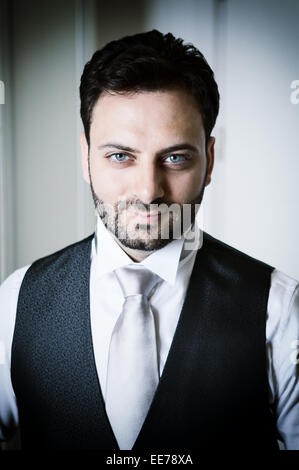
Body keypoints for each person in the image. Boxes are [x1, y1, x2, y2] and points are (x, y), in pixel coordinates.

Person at [0, 29, 298, 452]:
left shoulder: (280, 311)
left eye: (175, 158)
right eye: (120, 156)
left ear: (209, 160)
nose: (148, 190)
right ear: (85, 156)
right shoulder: (14, 304)